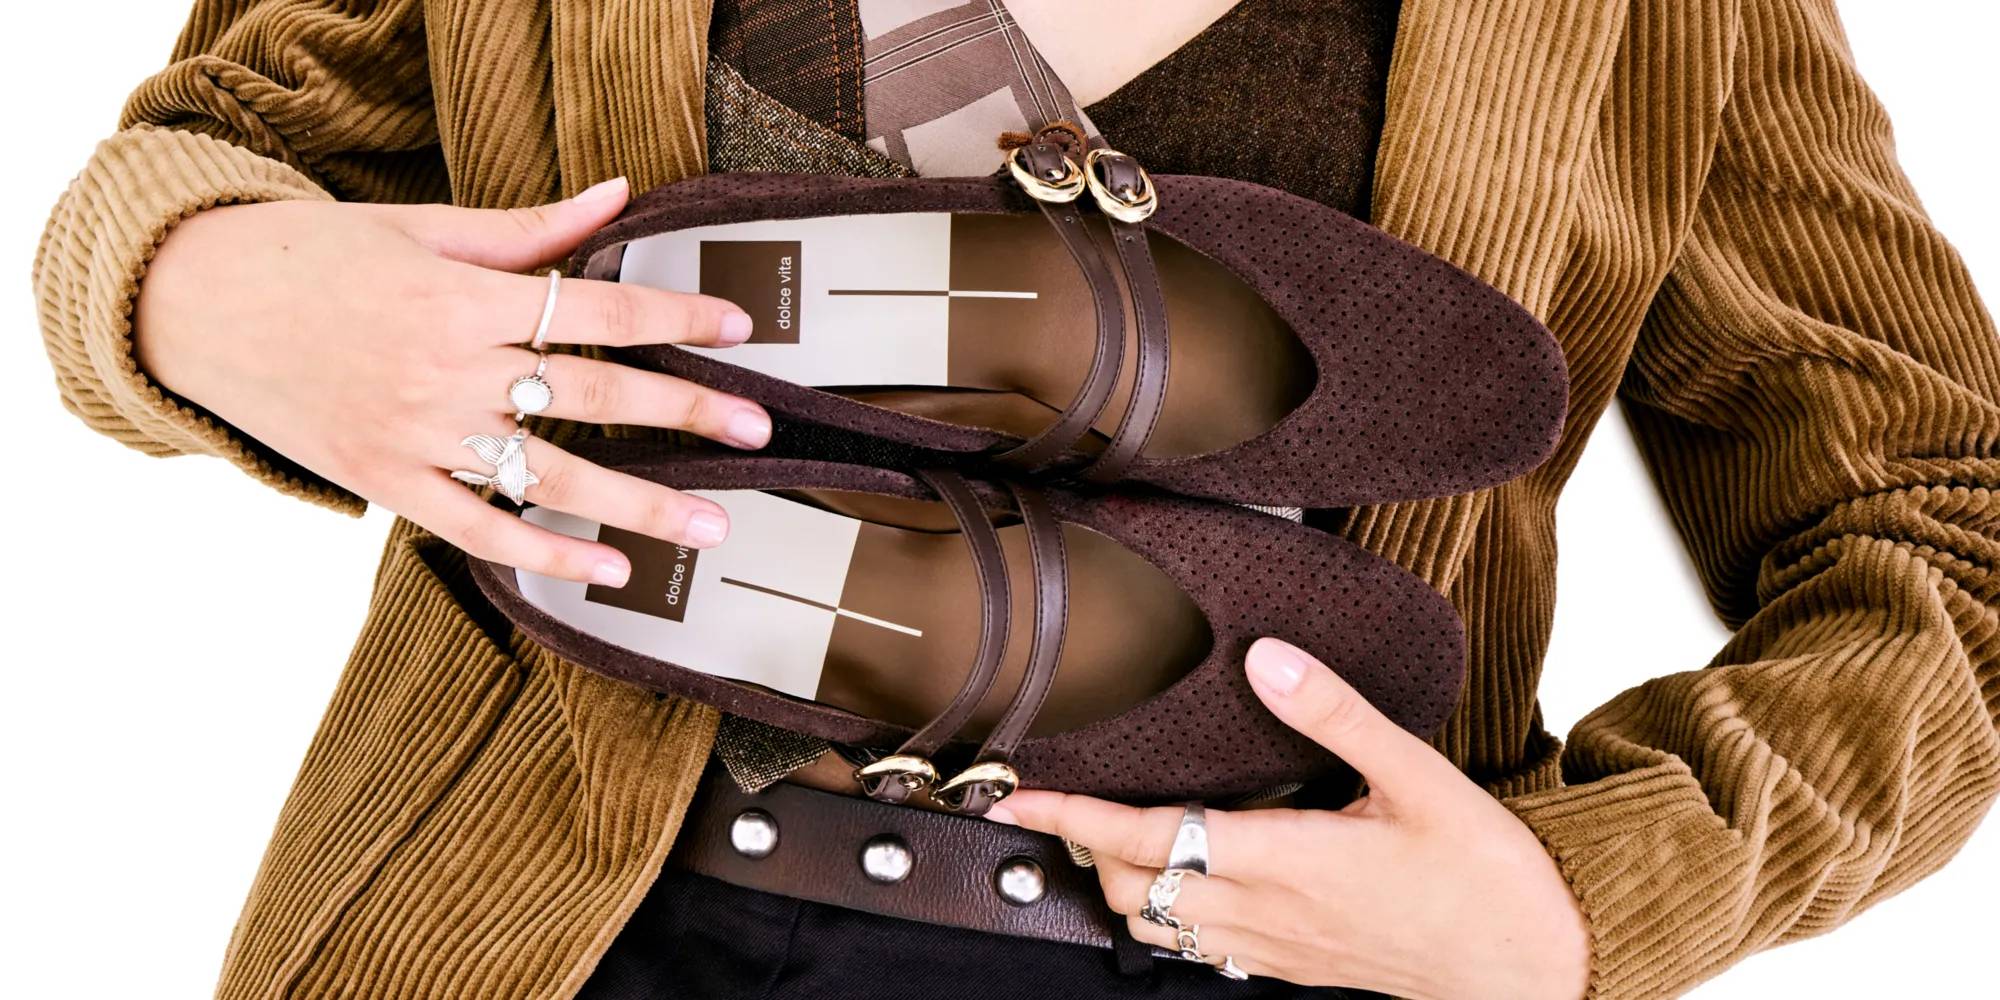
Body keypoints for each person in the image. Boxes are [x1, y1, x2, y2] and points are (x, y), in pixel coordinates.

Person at [31, 1, 1998, 997]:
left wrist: (1582, 899)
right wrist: (199, 287)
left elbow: (1947, 519)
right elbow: (215, 142)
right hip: (554, 930)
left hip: (1260, 952)